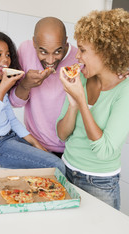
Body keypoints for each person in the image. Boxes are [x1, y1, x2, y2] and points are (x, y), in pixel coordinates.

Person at [57, 8, 129, 210]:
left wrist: (81, 100)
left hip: (99, 184)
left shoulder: (125, 91)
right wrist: (73, 105)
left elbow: (104, 151)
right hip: (66, 171)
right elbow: (62, 135)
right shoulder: (80, 78)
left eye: (82, 49)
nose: (77, 56)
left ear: (106, 52)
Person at [0, 30, 66, 175]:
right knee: (56, 165)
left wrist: (34, 143)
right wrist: (2, 90)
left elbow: (12, 119)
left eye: (7, 54)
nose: (6, 60)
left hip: (9, 137)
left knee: (52, 159)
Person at [9, 17, 79, 157]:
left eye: (58, 52)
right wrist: (25, 84)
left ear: (66, 42)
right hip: (35, 145)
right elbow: (14, 103)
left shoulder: (79, 58)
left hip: (70, 149)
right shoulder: (25, 50)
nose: (50, 60)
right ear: (34, 42)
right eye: (43, 52)